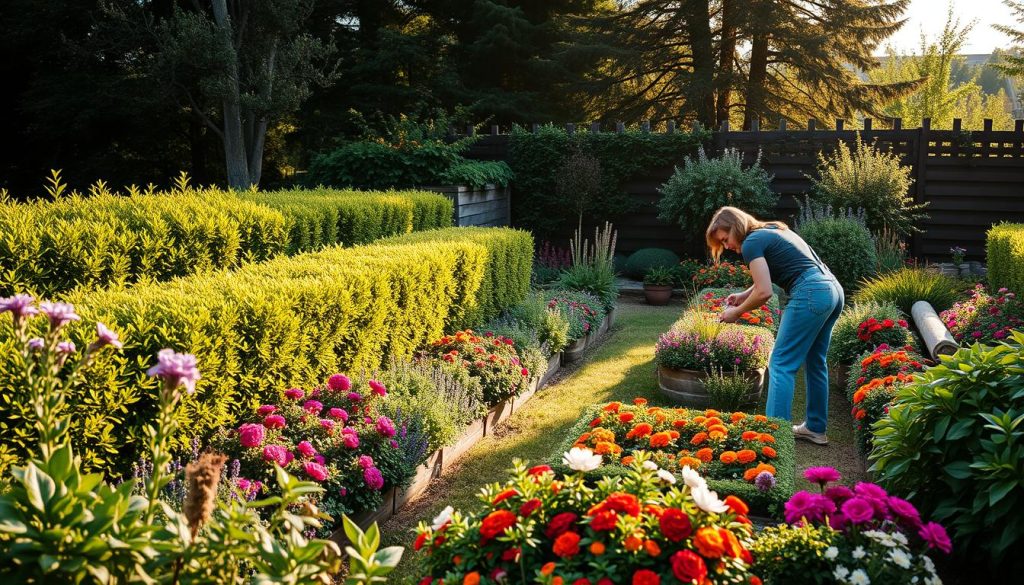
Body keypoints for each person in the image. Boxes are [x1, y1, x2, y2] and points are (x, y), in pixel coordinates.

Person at [705, 206, 844, 445]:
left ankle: (772, 437)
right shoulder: (773, 229)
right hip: (832, 290)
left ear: (736, 227)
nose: (727, 246)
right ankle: (815, 428)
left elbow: (764, 292)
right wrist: (742, 295)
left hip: (810, 292)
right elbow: (771, 277)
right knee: (815, 362)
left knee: (780, 364)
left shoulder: (751, 243)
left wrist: (736, 312)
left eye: (726, 239)